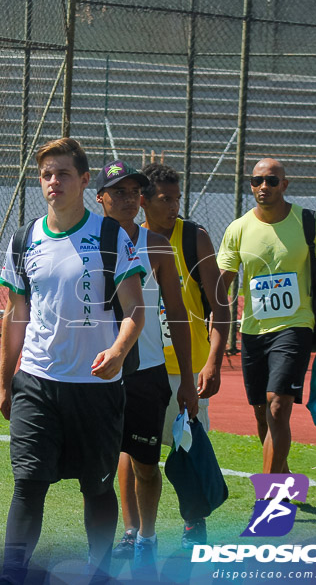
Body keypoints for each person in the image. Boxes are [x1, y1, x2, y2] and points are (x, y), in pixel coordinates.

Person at [0, 138, 145, 584]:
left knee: (97, 487)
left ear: (84, 181)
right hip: (37, 382)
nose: (53, 182)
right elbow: (14, 313)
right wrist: (6, 381)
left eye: (63, 174)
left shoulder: (110, 236)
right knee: (28, 482)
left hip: (96, 388)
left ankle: (100, 572)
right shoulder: (25, 239)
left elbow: (136, 309)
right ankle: (11, 574)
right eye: (46, 174)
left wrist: (118, 352)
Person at [94, 160, 198, 573]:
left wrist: (187, 380)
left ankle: (147, 538)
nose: (126, 199)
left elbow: (177, 313)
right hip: (95, 371)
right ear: (99, 197)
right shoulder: (84, 240)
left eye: (132, 192)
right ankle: (115, 536)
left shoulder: (156, 245)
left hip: (147, 371)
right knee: (97, 467)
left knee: (146, 465)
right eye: (116, 191)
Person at [217, 158, 316, 474]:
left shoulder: (309, 222)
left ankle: (270, 492)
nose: (264, 187)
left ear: (284, 185)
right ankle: (282, 474)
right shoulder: (238, 228)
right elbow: (221, 282)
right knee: (262, 412)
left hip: (296, 324)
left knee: (278, 403)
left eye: (272, 181)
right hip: (253, 330)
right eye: (257, 180)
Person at [136, 162, 229, 546]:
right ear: (143, 201)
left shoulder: (194, 237)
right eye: (165, 199)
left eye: (177, 198)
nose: (174, 205)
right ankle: (135, 530)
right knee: (136, 452)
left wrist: (212, 361)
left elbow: (221, 306)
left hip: (185, 368)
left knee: (188, 449)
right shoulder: (127, 237)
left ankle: (194, 521)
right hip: (142, 366)